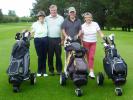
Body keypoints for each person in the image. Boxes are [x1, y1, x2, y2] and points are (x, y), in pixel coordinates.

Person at [81, 12, 104, 78]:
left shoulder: (95, 24)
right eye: (86, 17)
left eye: (89, 17)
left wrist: (104, 38)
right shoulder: (83, 26)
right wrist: (81, 43)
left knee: (91, 57)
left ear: (91, 18)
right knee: (86, 57)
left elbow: (100, 33)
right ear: (84, 19)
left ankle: (91, 72)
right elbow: (81, 36)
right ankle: (84, 70)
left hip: (93, 43)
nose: (88, 19)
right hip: (85, 43)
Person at [62, 7, 82, 75]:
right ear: (69, 13)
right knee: (68, 55)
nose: (72, 13)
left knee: (77, 55)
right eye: (71, 12)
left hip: (76, 41)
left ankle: (77, 69)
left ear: (75, 12)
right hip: (68, 41)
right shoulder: (65, 20)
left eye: (73, 12)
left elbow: (80, 30)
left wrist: (78, 35)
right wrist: (66, 36)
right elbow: (63, 30)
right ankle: (66, 70)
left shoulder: (78, 20)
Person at [46, 5, 64, 75]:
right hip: (49, 39)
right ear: (50, 10)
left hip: (58, 39)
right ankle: (51, 70)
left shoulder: (61, 18)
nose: (53, 11)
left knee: (58, 55)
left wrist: (62, 39)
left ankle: (59, 70)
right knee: (50, 56)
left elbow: (63, 29)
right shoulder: (46, 18)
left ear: (56, 10)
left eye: (55, 10)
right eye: (52, 10)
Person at [31, 11, 48, 77]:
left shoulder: (46, 23)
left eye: (42, 16)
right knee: (40, 56)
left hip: (45, 39)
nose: (41, 17)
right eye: (40, 16)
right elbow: (32, 31)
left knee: (44, 56)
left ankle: (44, 71)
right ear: (38, 17)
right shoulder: (35, 24)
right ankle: (39, 70)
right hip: (37, 40)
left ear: (44, 17)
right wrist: (28, 33)